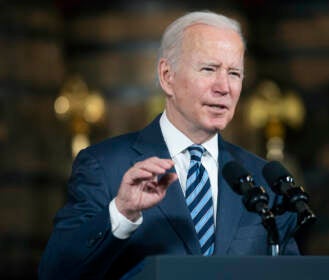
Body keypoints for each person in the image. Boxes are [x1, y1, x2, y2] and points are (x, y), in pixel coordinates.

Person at [39, 11, 299, 279]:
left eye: (234, 73)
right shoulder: (105, 166)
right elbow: (56, 273)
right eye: (209, 69)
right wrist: (121, 213)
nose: (224, 87)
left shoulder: (264, 180)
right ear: (167, 76)